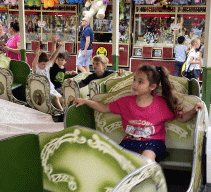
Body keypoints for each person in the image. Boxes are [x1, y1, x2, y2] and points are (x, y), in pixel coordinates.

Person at [74, 64, 203, 162]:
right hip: (129, 141)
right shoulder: (126, 102)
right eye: (134, 80)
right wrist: (86, 101)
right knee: (119, 161)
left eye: (140, 82)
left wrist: (193, 110)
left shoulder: (161, 104)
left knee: (147, 159)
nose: (134, 84)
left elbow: (180, 118)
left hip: (153, 143)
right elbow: (104, 108)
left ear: (152, 87)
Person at [32, 41, 64, 111]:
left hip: (51, 89)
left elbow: (53, 57)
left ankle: (66, 111)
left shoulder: (47, 67)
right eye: (43, 64)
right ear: (38, 63)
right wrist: (37, 55)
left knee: (62, 99)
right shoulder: (37, 70)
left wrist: (59, 46)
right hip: (43, 91)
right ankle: (62, 112)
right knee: (55, 98)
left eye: (46, 64)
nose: (45, 66)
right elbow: (34, 65)